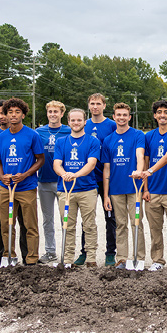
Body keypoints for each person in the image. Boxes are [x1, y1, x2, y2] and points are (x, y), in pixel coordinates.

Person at [0, 98, 45, 266]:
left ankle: (32, 259)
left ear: (23, 115)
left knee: (30, 225)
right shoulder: (0, 137)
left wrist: (25, 175)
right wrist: (1, 176)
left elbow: (40, 160)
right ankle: (9, 256)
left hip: (26, 187)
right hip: (5, 188)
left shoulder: (32, 135)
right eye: (10, 112)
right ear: (6, 115)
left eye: (17, 112)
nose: (13, 115)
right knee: (6, 224)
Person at [135, 100, 167, 270]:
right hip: (152, 191)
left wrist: (150, 171)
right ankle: (157, 260)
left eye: (166, 112)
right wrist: (146, 188)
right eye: (159, 112)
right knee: (155, 229)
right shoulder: (148, 136)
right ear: (155, 115)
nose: (162, 115)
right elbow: (146, 162)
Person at [53, 108, 102, 267]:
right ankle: (67, 260)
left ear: (85, 122)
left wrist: (75, 175)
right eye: (73, 120)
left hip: (87, 189)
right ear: (68, 122)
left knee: (89, 225)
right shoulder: (61, 141)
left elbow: (91, 163)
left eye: (79, 120)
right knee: (67, 224)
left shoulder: (93, 141)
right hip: (65, 191)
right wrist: (64, 174)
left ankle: (91, 258)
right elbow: (56, 164)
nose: (76, 123)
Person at [102, 102, 146, 268]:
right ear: (114, 117)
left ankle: (139, 258)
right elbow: (106, 169)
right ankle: (122, 259)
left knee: (137, 223)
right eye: (118, 115)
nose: (121, 118)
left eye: (124, 115)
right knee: (120, 225)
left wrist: (139, 171)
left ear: (129, 117)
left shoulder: (137, 135)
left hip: (134, 187)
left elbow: (140, 155)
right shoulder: (108, 140)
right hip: (116, 189)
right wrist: (106, 195)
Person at [0, 100, 27, 265]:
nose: (1, 117)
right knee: (2, 222)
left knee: (23, 222)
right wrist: (0, 173)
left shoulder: (25, 133)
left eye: (2, 113)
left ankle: (27, 256)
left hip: (21, 184)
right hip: (0, 185)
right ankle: (2, 254)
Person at [84, 93, 118, 266]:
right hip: (87, 178)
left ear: (104, 106)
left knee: (110, 217)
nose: (95, 106)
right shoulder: (84, 124)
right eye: (92, 103)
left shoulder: (112, 125)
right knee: (87, 217)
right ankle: (85, 252)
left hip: (106, 179)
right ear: (88, 106)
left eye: (98, 103)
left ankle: (110, 252)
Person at [35, 100, 71, 263]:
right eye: (50, 112)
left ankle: (68, 252)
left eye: (56, 111)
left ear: (62, 114)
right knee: (47, 218)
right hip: (44, 180)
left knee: (67, 218)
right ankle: (50, 251)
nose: (53, 114)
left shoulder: (69, 131)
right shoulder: (39, 132)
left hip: (63, 181)